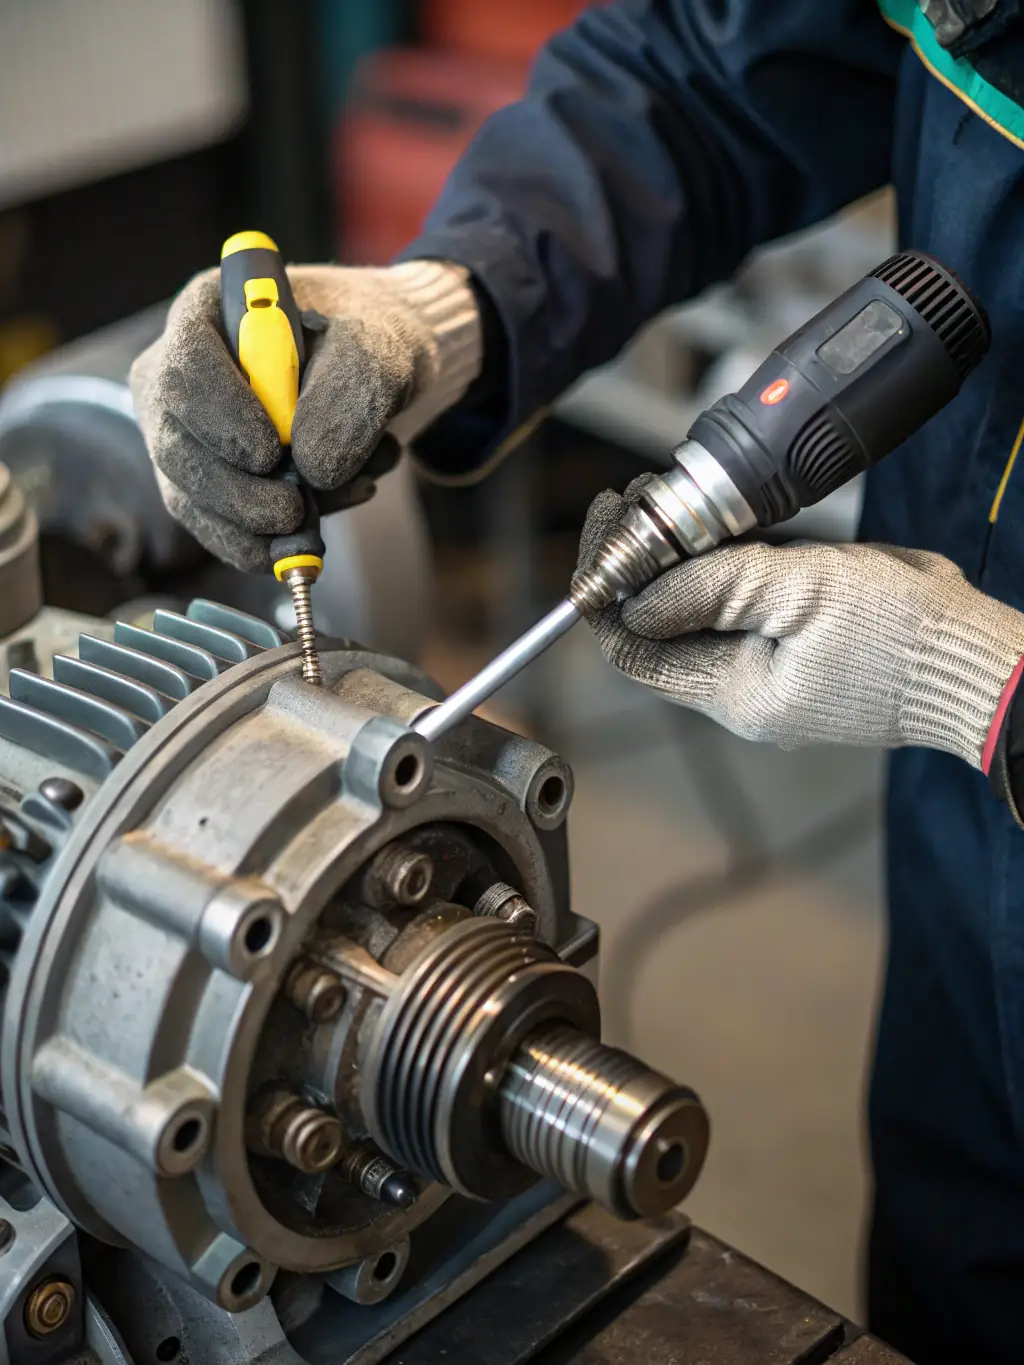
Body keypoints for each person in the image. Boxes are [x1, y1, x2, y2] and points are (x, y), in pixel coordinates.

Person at [129, 4, 1024, 1360]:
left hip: (971, 700)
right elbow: (718, 67)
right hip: (966, 825)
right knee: (962, 1257)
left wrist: (988, 681)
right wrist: (445, 308)